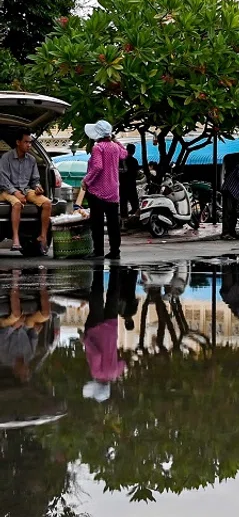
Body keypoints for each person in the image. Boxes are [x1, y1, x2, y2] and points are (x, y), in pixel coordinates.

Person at [80, 120, 127, 260]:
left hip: (97, 192)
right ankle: (115, 251)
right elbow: (124, 154)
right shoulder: (115, 147)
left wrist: (86, 181)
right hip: (113, 191)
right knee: (113, 224)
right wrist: (116, 141)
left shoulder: (98, 148)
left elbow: (97, 167)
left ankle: (98, 250)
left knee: (97, 223)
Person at [0, 130, 52, 254]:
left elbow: (35, 180)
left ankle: (43, 236)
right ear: (18, 142)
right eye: (26, 142)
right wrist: (15, 192)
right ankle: (16, 239)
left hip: (26, 189)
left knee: (47, 203)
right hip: (7, 190)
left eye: (30, 143)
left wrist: (38, 187)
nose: (29, 145)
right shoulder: (6, 157)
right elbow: (2, 179)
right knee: (17, 204)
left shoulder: (32, 160)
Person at [82, 264, 126, 402]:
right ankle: (98, 270)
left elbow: (123, 363)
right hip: (95, 330)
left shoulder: (114, 374)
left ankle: (115, 270)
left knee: (113, 296)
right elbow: (96, 355)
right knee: (96, 297)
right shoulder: (96, 372)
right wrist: (85, 341)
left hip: (111, 330)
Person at [119, 143, 140, 219]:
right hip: (131, 185)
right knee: (135, 202)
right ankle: (137, 218)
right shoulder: (134, 161)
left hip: (122, 185)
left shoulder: (121, 161)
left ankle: (124, 220)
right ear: (134, 151)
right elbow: (136, 173)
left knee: (123, 203)